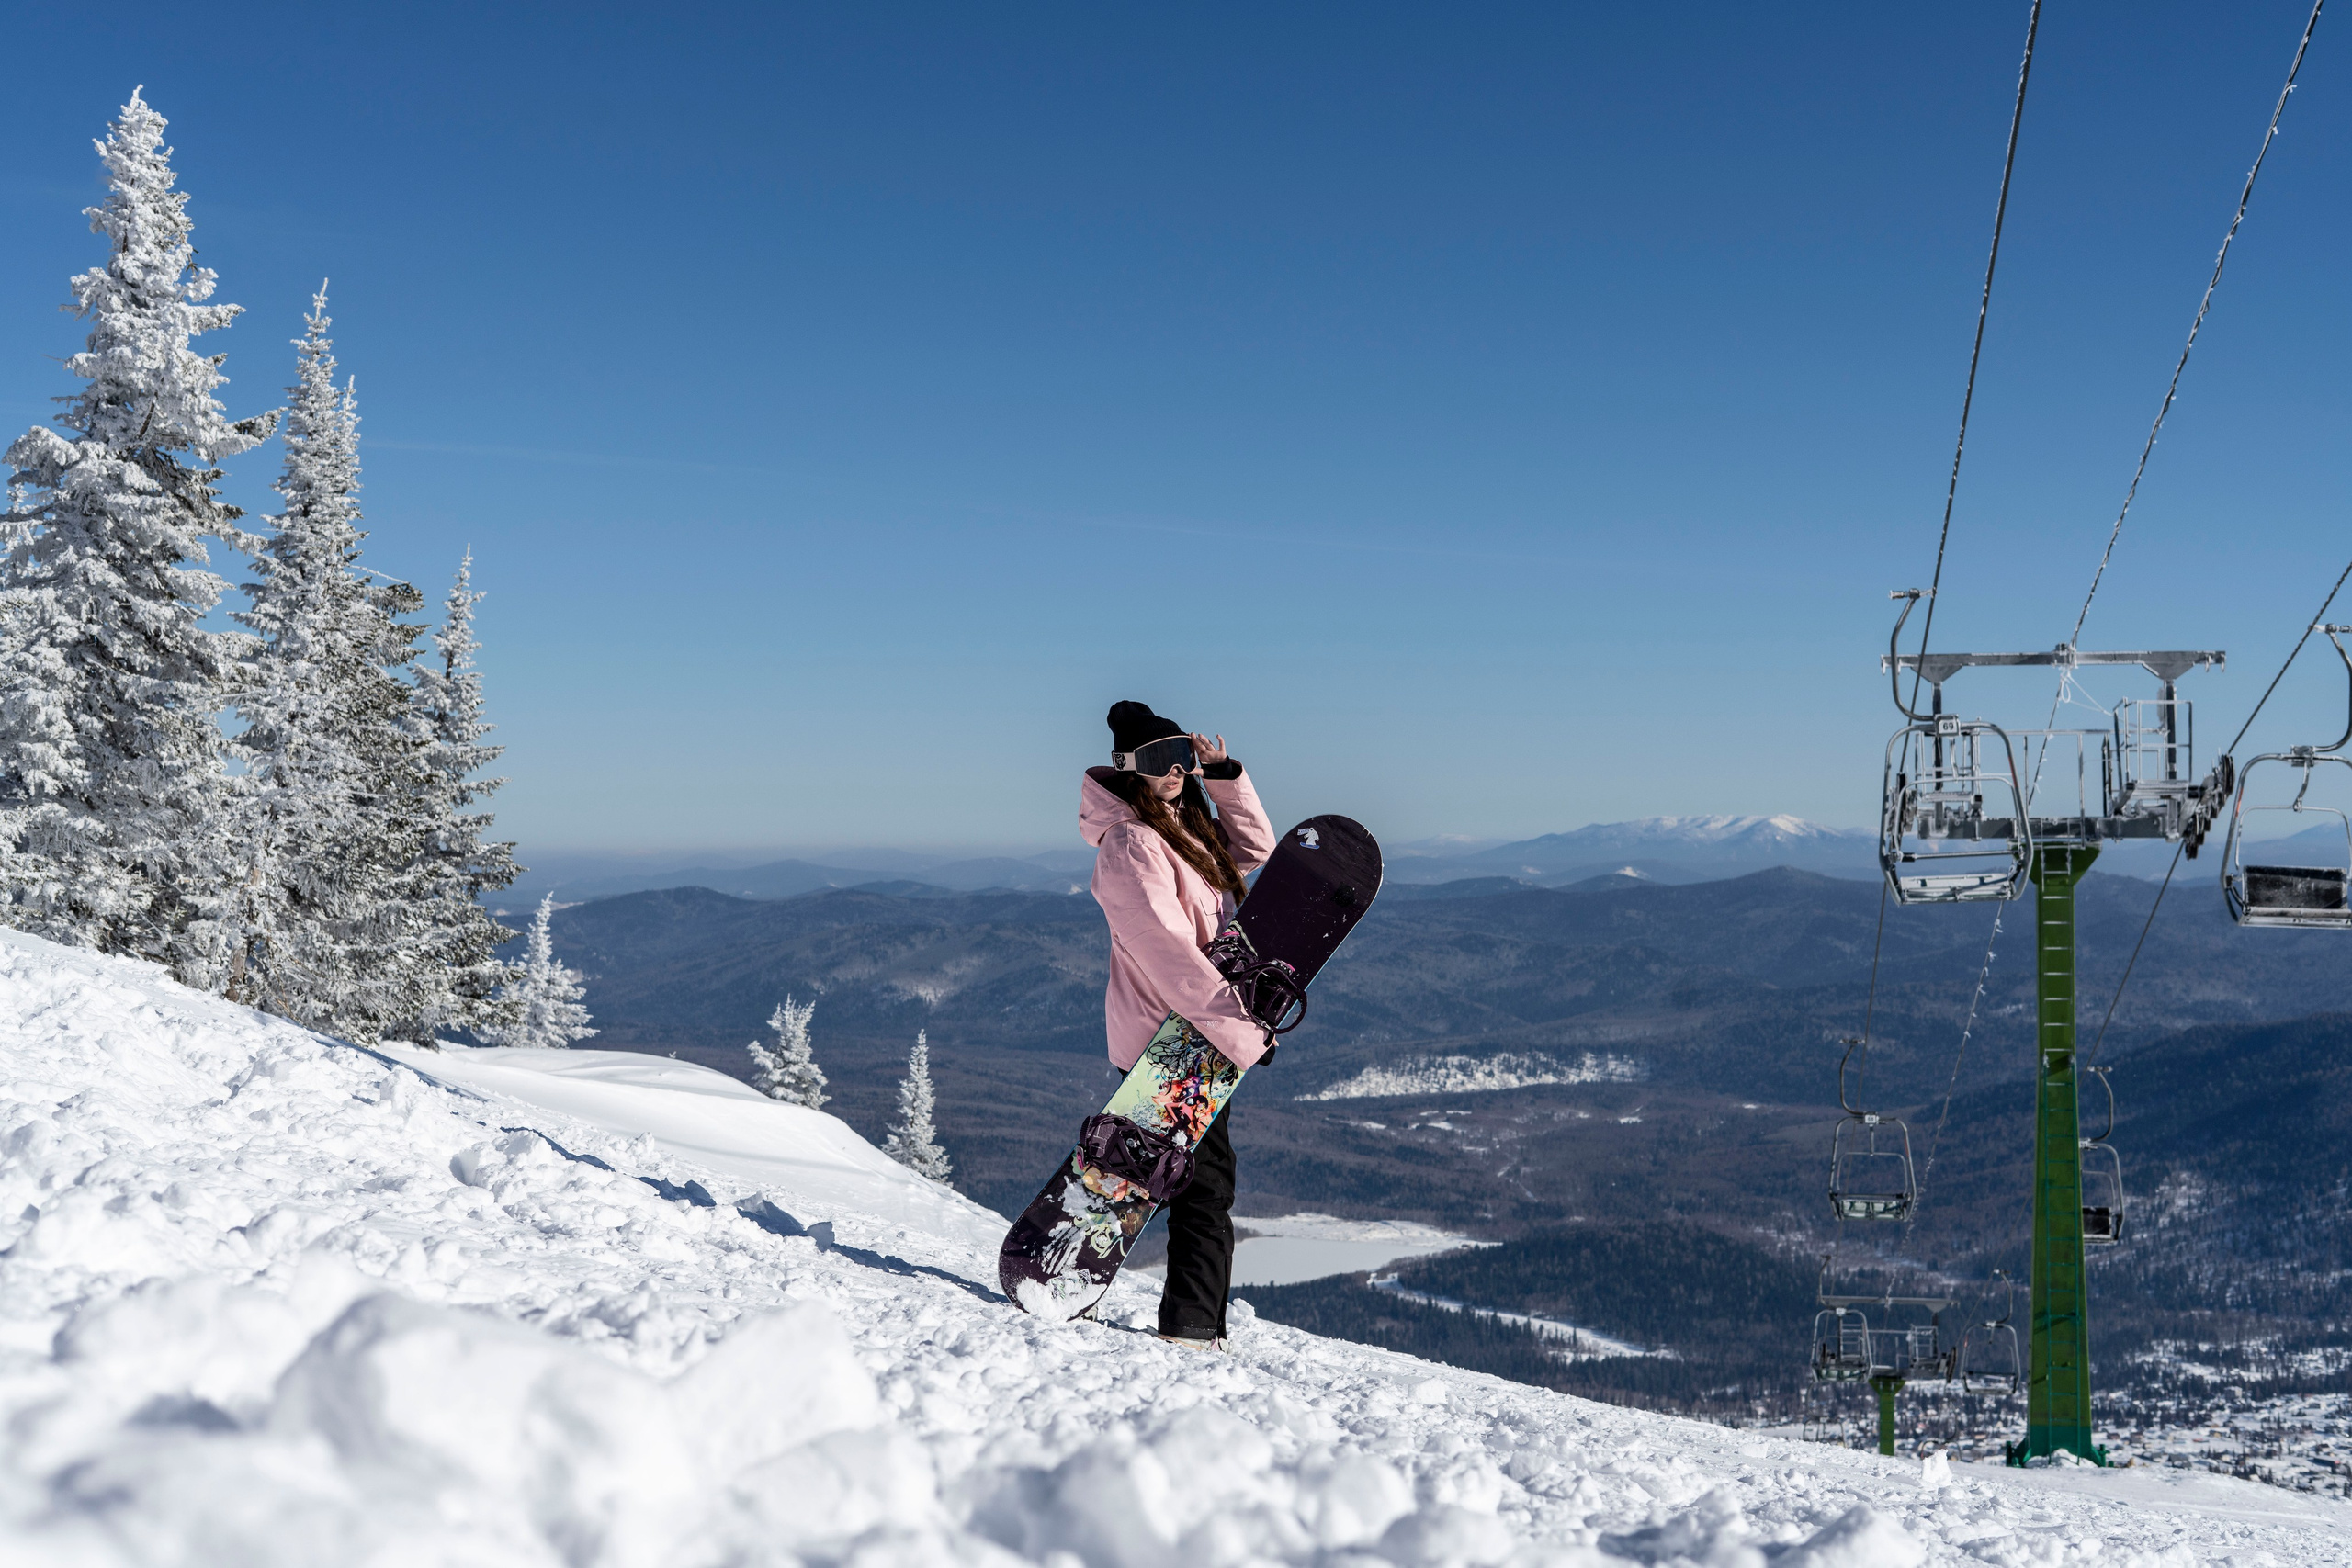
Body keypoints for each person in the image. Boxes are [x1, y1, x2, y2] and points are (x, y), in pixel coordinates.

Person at [1080, 699, 1278, 1348]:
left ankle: (1190, 1319)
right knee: (1206, 1189)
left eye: (1180, 756)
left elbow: (1258, 851)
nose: (1174, 770)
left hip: (1193, 1035)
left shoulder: (1178, 824)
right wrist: (1242, 1033)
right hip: (1167, 1044)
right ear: (1128, 767)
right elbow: (1172, 958)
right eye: (1160, 760)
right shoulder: (1131, 846)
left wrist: (1222, 776)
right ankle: (1192, 1328)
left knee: (1187, 1178)